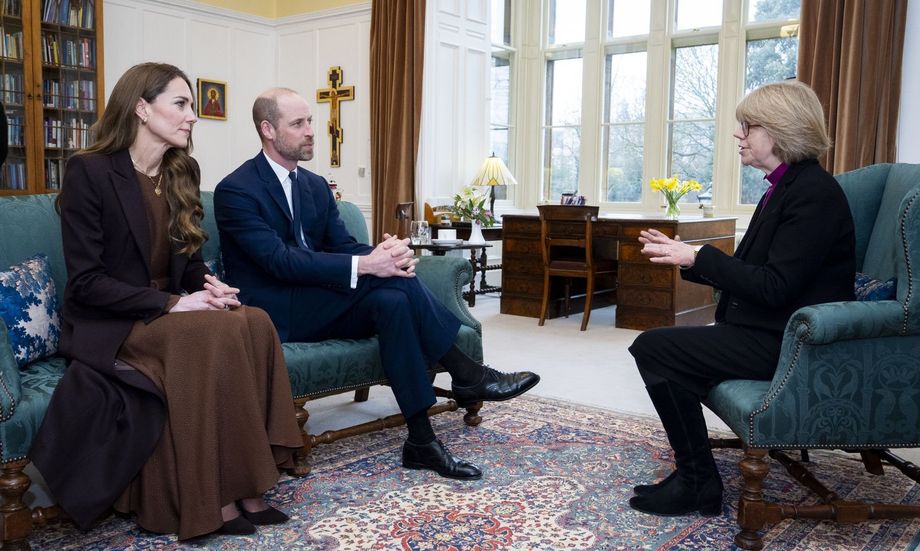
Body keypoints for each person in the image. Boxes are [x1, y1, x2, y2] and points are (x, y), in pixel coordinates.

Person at [29, 63, 303, 540]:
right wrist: (175, 304)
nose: (192, 116)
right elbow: (87, 283)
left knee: (252, 320)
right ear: (141, 108)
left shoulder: (181, 169)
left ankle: (249, 485)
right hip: (112, 321)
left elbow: (187, 260)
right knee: (207, 332)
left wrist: (208, 284)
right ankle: (211, 497)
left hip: (167, 308)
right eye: (180, 104)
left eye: (191, 105)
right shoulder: (89, 171)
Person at [213, 88, 540, 481]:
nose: (310, 131)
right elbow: (278, 261)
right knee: (391, 287)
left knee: (394, 299)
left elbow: (343, 246)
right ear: (267, 129)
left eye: (311, 121)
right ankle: (468, 374)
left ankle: (421, 439)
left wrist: (383, 254)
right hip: (274, 310)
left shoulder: (313, 185)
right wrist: (367, 264)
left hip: (320, 299)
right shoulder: (236, 190)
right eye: (298, 124)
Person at [627, 81, 856, 517]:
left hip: (792, 344)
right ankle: (695, 477)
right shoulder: (786, 187)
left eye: (749, 126)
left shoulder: (813, 193)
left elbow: (774, 286)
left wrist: (697, 255)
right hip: (769, 330)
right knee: (667, 352)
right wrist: (689, 258)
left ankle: (697, 480)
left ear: (781, 129)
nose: (739, 135)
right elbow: (760, 276)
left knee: (654, 349)